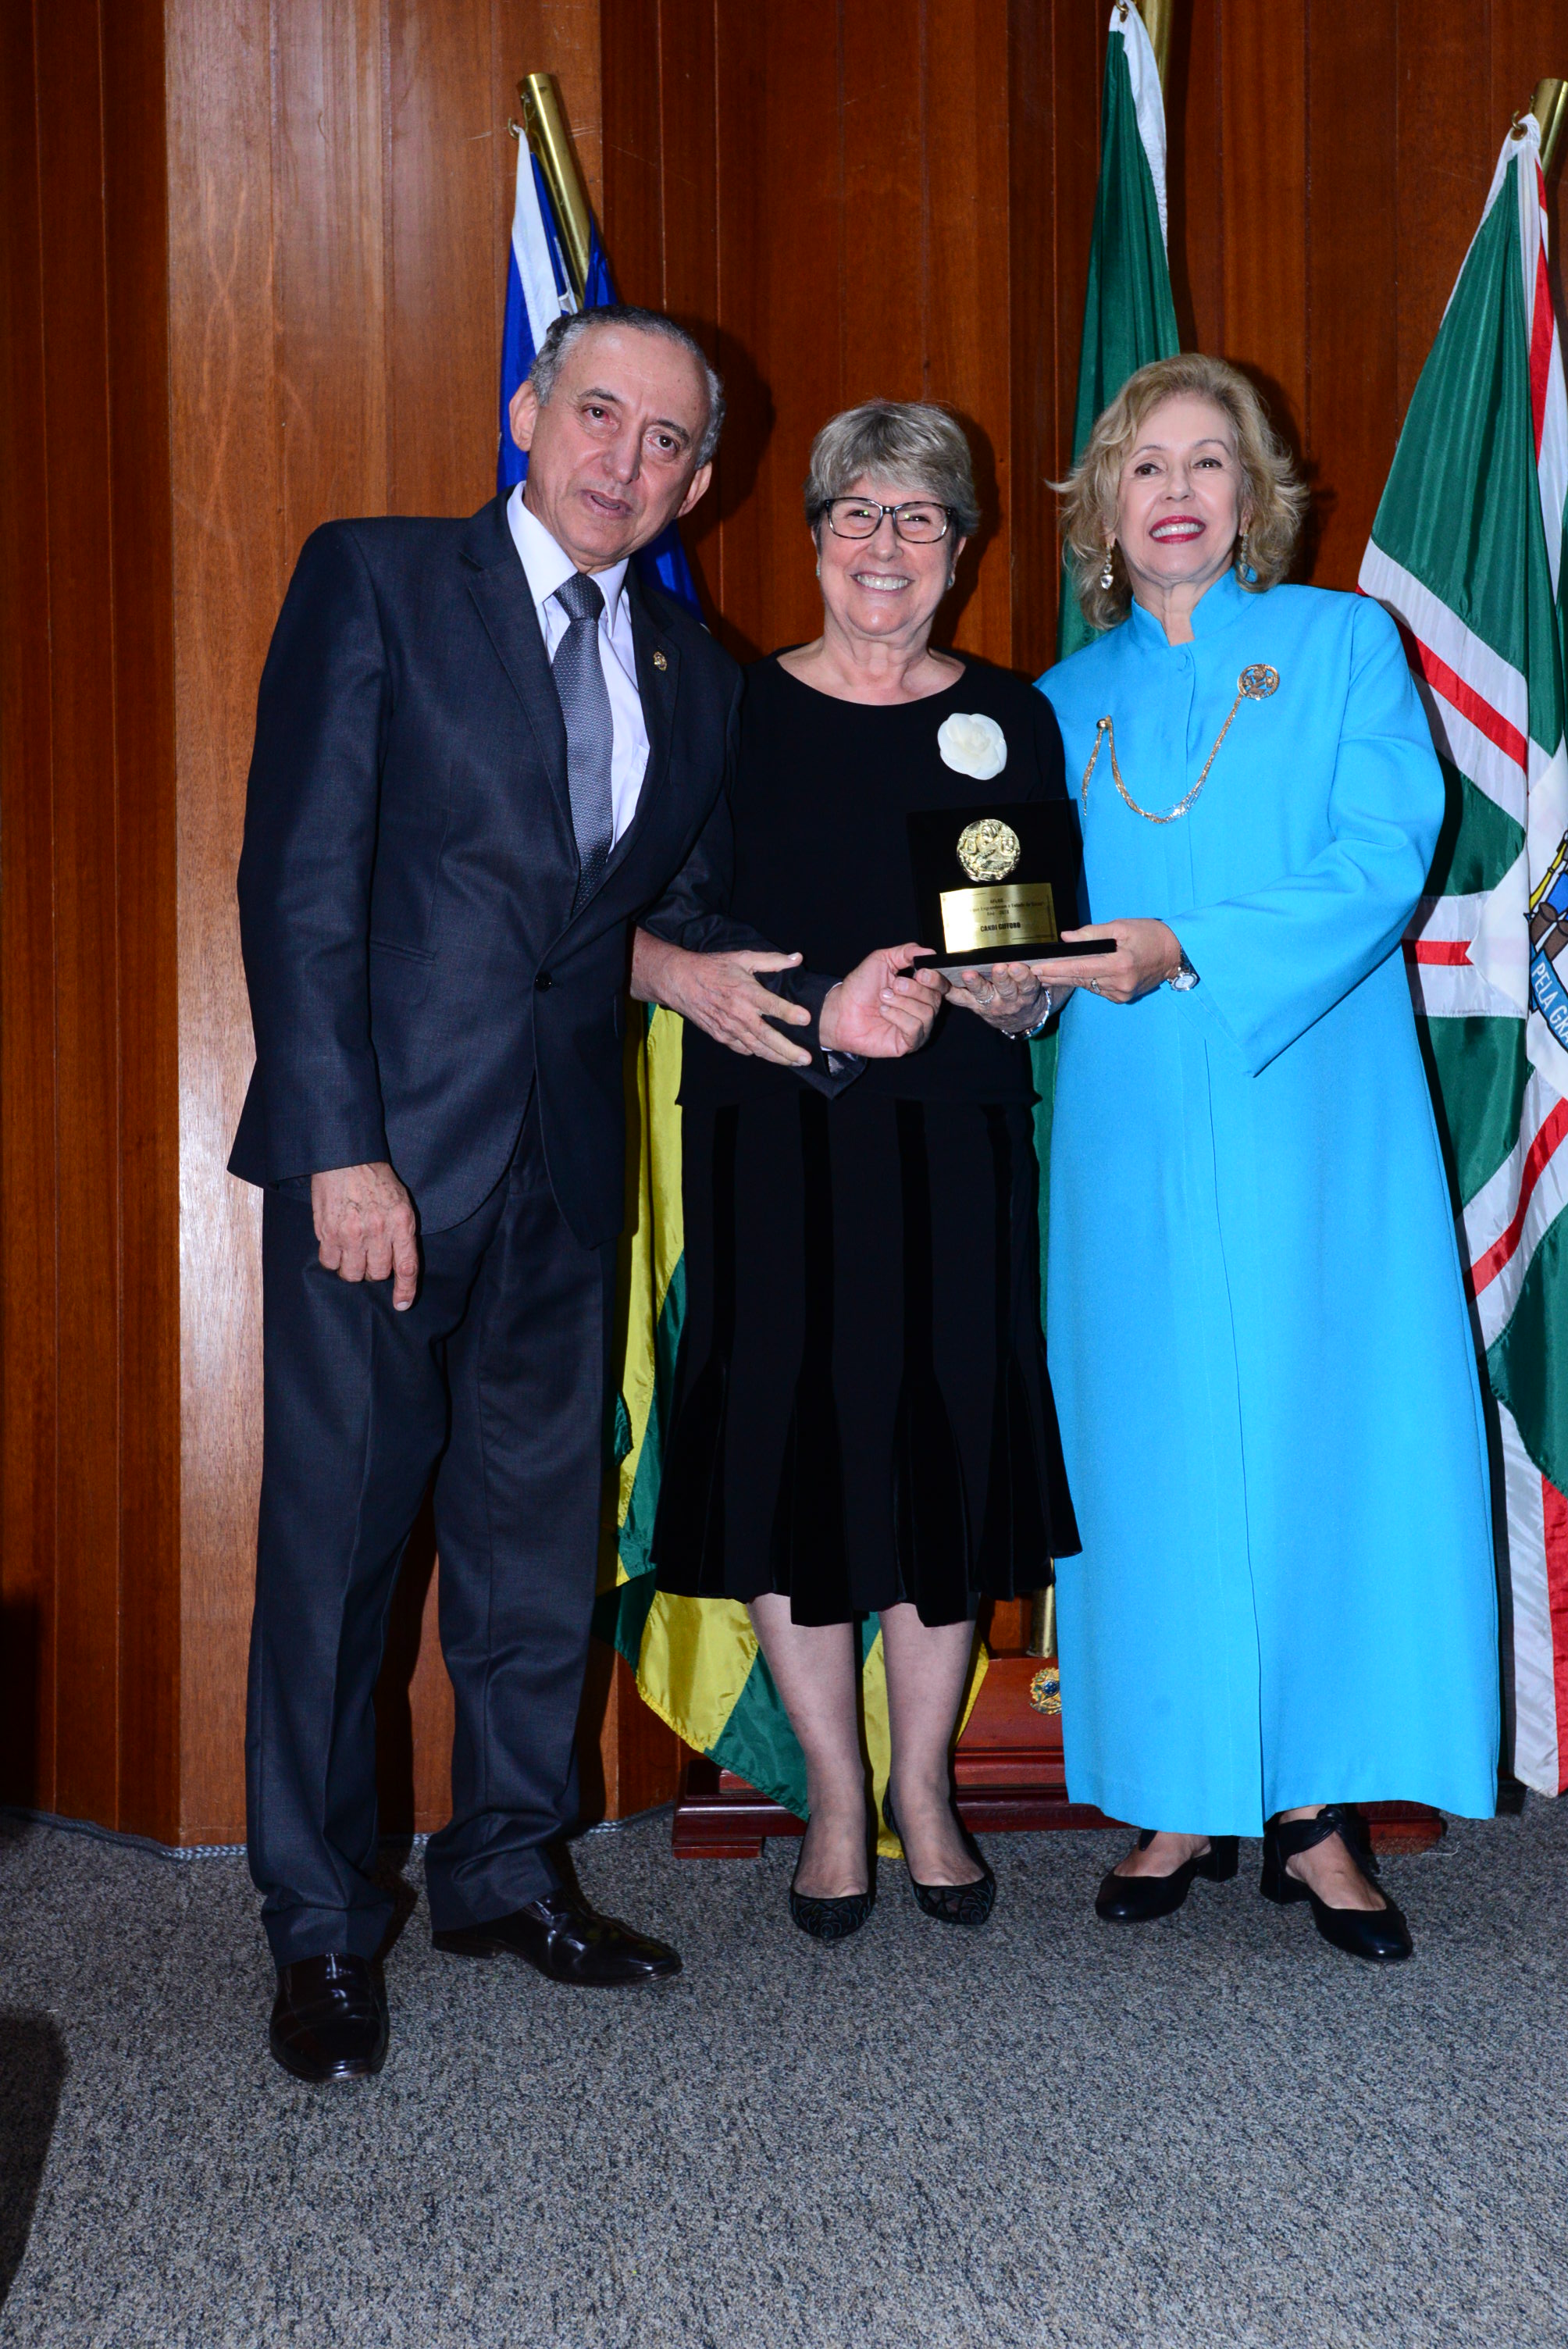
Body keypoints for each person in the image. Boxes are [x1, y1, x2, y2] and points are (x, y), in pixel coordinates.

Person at [233, 308, 938, 2084]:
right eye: (599, 414)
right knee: (335, 1555)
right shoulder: (380, 581)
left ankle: (503, 1870)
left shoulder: (693, 669)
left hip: (566, 1168)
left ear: (698, 482)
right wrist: (338, 1145)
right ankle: (318, 1926)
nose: (625, 459)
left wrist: (829, 1003)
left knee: (535, 1547)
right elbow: (298, 875)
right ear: (529, 411)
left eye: (666, 440)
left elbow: (675, 921)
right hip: (384, 1163)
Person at [1039, 352, 1499, 1963]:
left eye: (1206, 462)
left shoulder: (1340, 644)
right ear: (1106, 504)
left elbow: (1384, 857)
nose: (1174, 491)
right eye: (1144, 463)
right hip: (1124, 1122)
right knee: (1148, 1441)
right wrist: (1006, 982)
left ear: (1253, 497)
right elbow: (1024, 916)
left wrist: (1188, 946)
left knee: (1320, 1432)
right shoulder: (1055, 701)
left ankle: (1312, 1809)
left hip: (1311, 1102)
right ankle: (1178, 1788)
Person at [637, 401, 1080, 1941]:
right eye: (857, 511)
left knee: (941, 1450)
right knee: (795, 1456)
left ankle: (925, 1790)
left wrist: (1005, 995)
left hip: (951, 1131)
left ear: (962, 549)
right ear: (816, 532)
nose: (885, 544)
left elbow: (1020, 943)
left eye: (920, 517)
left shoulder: (1008, 717)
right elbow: (664, 920)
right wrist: (830, 1009)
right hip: (771, 1128)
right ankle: (834, 1796)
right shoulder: (725, 706)